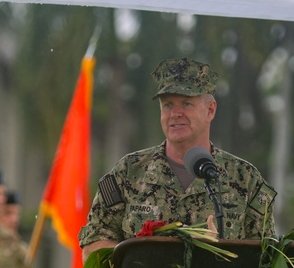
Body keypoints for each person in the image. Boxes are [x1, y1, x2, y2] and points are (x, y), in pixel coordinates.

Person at [79, 57, 277, 257]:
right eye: (167, 105)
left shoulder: (245, 179)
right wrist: (144, 260)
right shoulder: (129, 171)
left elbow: (265, 259)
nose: (175, 113)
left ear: (210, 110)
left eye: (186, 104)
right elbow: (93, 245)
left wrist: (219, 255)